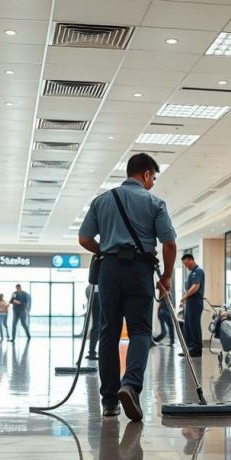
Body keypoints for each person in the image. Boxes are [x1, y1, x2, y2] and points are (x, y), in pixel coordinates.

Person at [79, 152, 177, 422]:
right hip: (139, 270)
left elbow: (84, 238)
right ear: (146, 174)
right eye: (153, 178)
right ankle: (130, 386)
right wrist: (166, 277)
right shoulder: (154, 202)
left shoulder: (102, 200)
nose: (153, 183)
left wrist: (105, 251)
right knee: (141, 330)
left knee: (109, 332)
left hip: (109, 271)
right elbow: (169, 243)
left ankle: (109, 402)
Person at [177, 253, 205, 358]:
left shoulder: (198, 271)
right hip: (190, 302)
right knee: (188, 326)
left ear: (191, 260)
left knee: (193, 325)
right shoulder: (192, 273)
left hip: (195, 301)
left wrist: (184, 297)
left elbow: (196, 287)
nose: (186, 266)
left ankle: (197, 349)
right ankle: (190, 349)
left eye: (186, 263)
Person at [85, 284, 100, 361]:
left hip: (94, 291)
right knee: (97, 324)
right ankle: (92, 352)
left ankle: (92, 352)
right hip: (96, 292)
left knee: (97, 324)